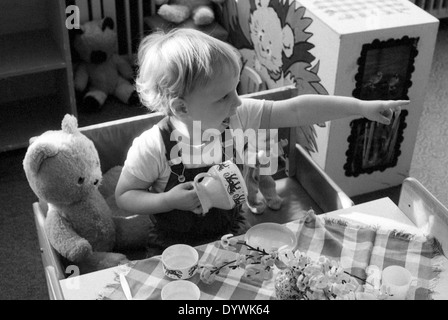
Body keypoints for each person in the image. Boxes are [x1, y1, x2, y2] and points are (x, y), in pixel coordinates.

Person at [115, 28, 408, 254]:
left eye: (236, 89)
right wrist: (166, 200)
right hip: (173, 246)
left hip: (230, 234)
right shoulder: (152, 146)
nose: (238, 100)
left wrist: (360, 107)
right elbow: (124, 196)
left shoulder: (239, 115)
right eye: (224, 96)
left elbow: (297, 109)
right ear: (181, 108)